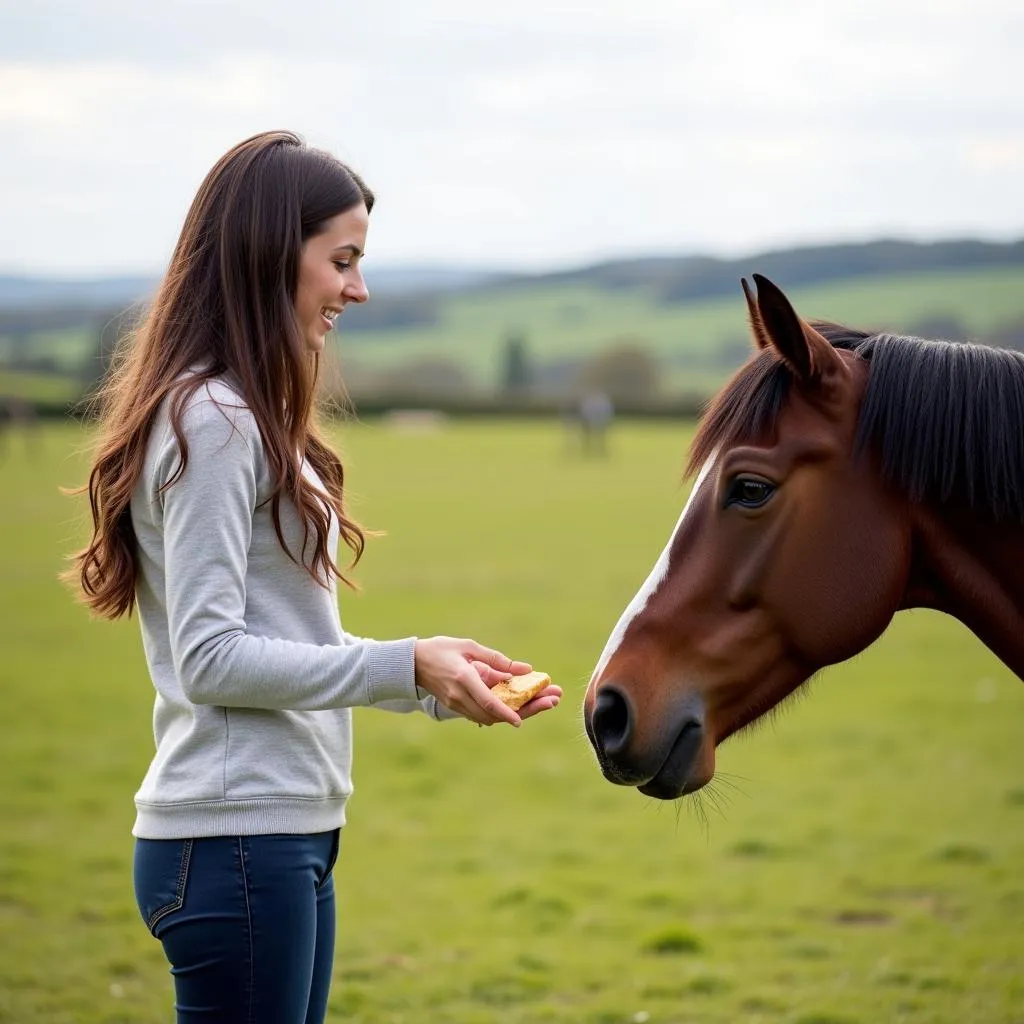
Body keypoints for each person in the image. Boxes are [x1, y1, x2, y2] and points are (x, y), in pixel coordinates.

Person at [64, 130, 562, 1024]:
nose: (358, 289)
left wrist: (434, 681)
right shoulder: (214, 419)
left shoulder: (239, 412)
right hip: (236, 838)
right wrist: (402, 663)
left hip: (283, 833)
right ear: (268, 252)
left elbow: (283, 637)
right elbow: (212, 657)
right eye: (342, 260)